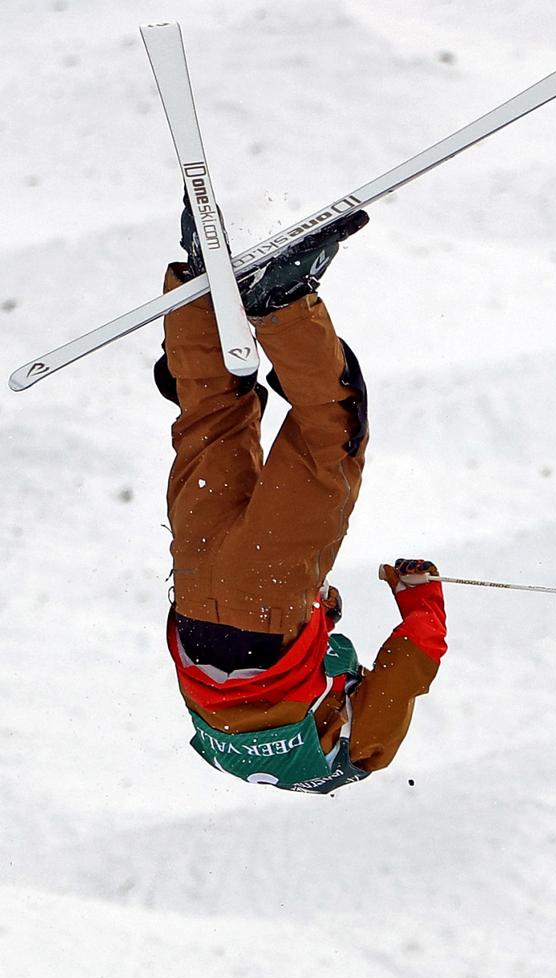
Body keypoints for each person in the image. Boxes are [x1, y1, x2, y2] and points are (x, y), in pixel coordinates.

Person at [153, 197, 448, 794]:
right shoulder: (237, 757)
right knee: (211, 417)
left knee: (331, 435)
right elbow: (243, 682)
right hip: (194, 583)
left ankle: (282, 302)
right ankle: (197, 288)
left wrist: (422, 599)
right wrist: (320, 612)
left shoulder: (358, 756)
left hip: (262, 598)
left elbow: (410, 666)